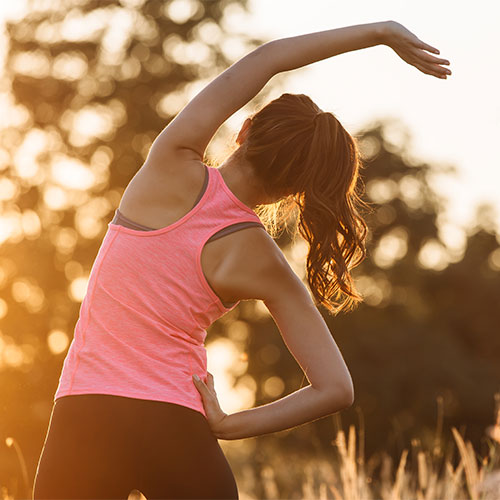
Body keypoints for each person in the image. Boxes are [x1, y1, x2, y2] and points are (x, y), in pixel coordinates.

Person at [32, 19, 451, 500]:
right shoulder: (264, 260)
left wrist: (380, 33)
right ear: (296, 190)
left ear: (245, 130)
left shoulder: (170, 162)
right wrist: (230, 425)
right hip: (176, 426)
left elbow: (269, 59)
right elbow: (336, 388)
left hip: (87, 415)